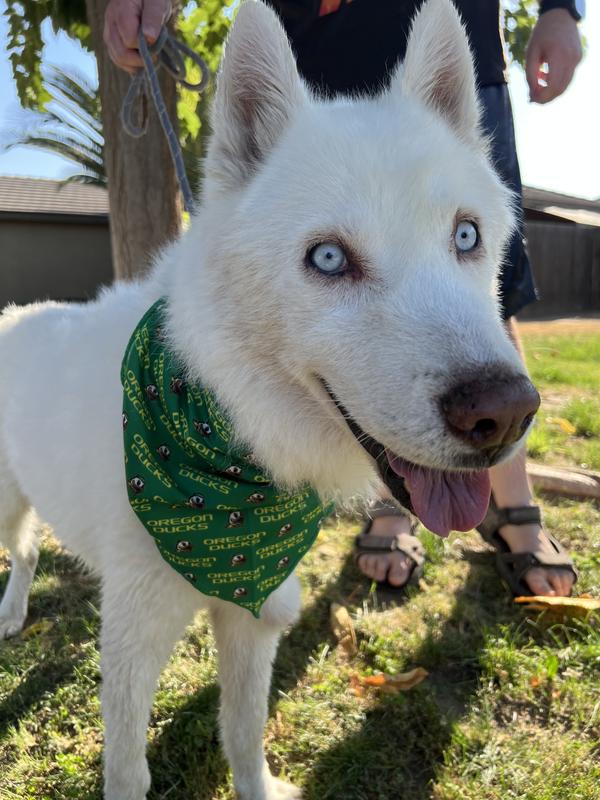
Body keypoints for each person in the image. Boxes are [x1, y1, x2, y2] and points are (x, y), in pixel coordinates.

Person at [104, 0, 583, 598]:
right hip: (315, 38)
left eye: (467, 236)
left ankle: (515, 507)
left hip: (455, 33)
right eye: (330, 258)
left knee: (492, 306)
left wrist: (562, 8)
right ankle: (390, 509)